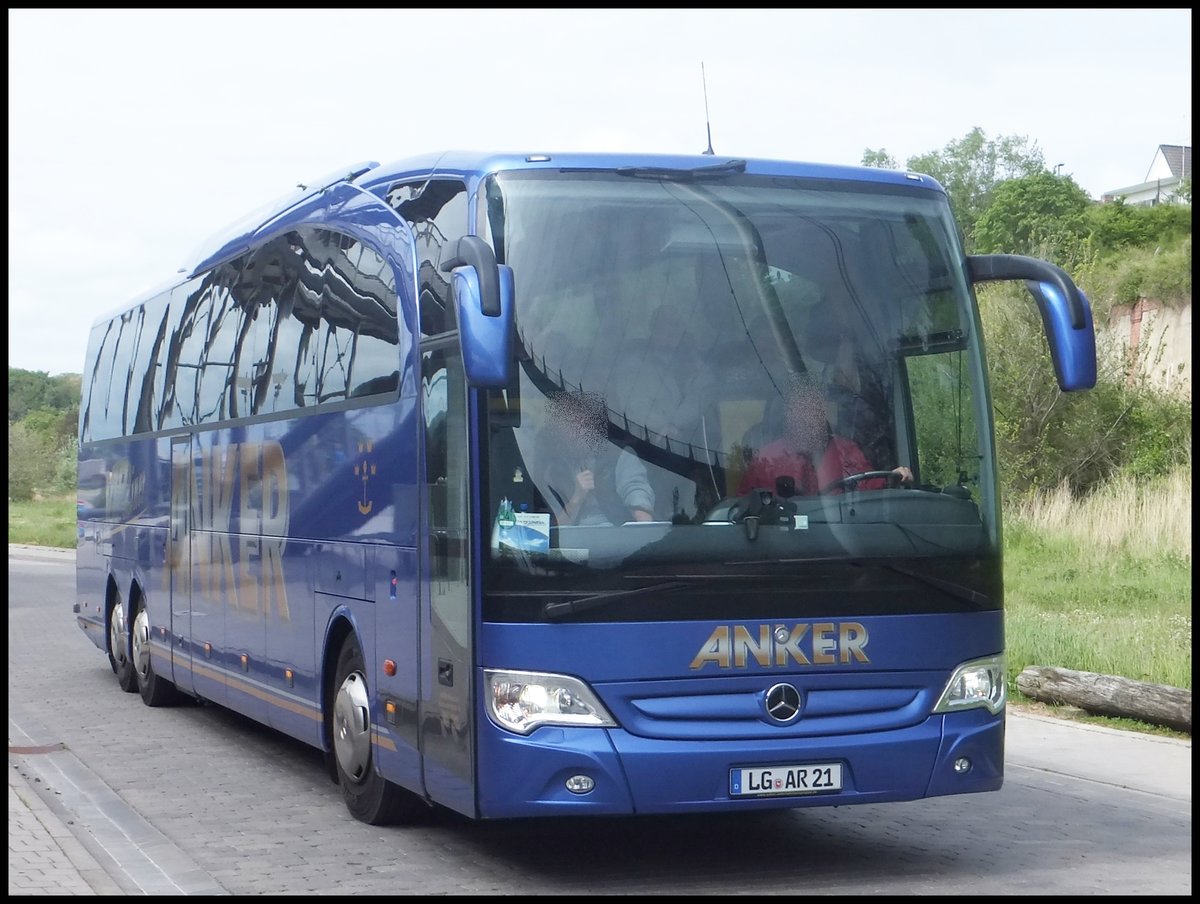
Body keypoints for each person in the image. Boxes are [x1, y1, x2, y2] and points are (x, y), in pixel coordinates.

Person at [737, 373, 913, 497]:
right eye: (801, 407)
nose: (808, 414)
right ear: (788, 413)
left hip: (842, 541)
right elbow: (743, 509)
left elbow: (872, 489)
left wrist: (895, 478)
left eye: (815, 406)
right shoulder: (766, 459)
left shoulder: (846, 450)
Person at [539, 390, 655, 525]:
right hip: (571, 541)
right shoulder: (553, 471)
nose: (580, 430)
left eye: (585, 423)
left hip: (617, 536)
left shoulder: (620, 455)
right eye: (572, 425)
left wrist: (643, 519)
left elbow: (635, 488)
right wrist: (577, 496)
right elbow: (552, 530)